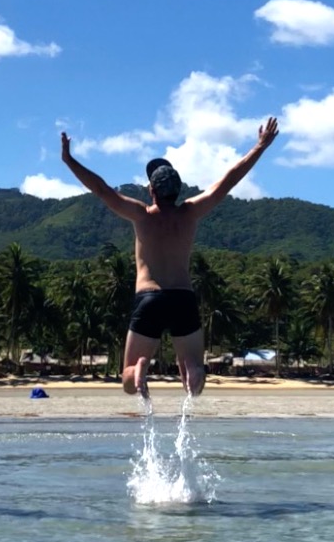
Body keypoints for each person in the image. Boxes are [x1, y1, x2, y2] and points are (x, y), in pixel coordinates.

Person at [60, 117, 279, 399]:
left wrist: (69, 160)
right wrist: (260, 147)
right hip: (182, 299)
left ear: (151, 190)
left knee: (128, 379)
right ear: (178, 190)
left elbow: (101, 189)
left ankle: (140, 367)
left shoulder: (141, 215)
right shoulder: (190, 212)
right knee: (193, 374)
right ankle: (193, 370)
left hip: (149, 298)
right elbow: (227, 182)